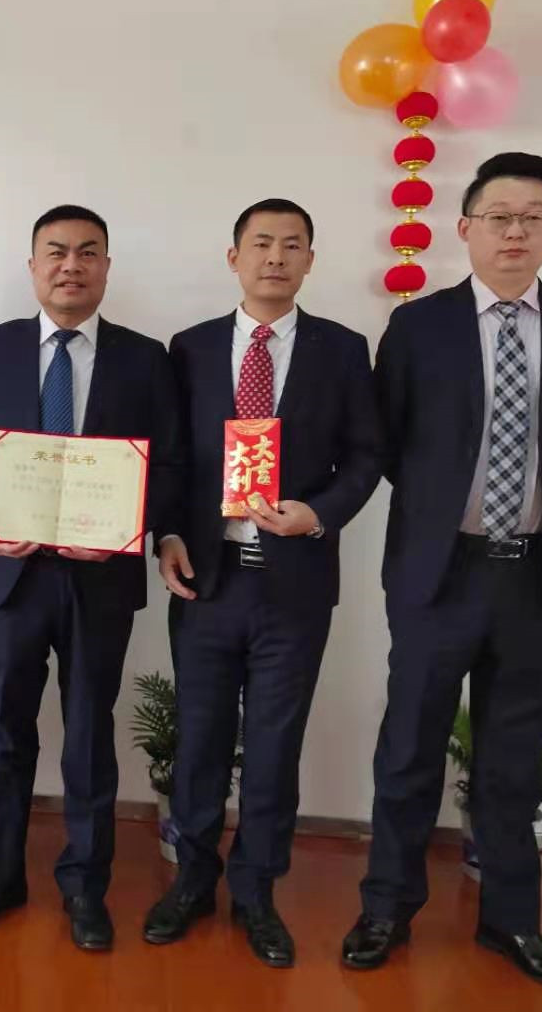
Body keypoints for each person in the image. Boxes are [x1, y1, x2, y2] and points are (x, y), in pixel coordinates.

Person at [343, 153, 542, 992]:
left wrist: (530, 506)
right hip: (440, 572)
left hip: (537, 576)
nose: (514, 232)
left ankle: (512, 920)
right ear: (465, 228)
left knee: (513, 757)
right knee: (409, 748)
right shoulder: (417, 327)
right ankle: (387, 908)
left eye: (533, 217)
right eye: (499, 216)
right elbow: (389, 442)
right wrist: (447, 512)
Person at [145, 200, 383, 966]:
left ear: (310, 260)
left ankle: (256, 893)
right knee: (201, 741)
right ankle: (191, 881)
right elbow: (172, 458)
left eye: (291, 245)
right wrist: (167, 535)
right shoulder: (190, 348)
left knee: (276, 747)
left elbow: (367, 455)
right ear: (234, 257)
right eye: (261, 243)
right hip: (207, 581)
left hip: (295, 585)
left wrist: (320, 514)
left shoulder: (342, 350)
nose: (275, 257)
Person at [0, 205, 183, 952]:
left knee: (88, 735)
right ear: (33, 266)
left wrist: (127, 528)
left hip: (99, 579)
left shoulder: (146, 358)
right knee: (3, 732)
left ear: (106, 267)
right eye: (56, 252)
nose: (70, 265)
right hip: (9, 574)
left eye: (87, 253)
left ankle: (84, 886)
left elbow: (171, 461)